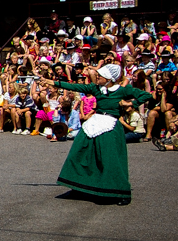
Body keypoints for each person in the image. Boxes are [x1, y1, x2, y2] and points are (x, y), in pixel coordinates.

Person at [41, 64, 152, 205]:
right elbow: (75, 87)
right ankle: (79, 185)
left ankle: (120, 191)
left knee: (110, 158)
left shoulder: (123, 90)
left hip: (111, 124)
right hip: (95, 122)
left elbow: (146, 95)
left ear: (109, 79)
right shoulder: (96, 88)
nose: (97, 77)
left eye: (100, 76)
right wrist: (53, 82)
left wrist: (130, 104)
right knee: (80, 151)